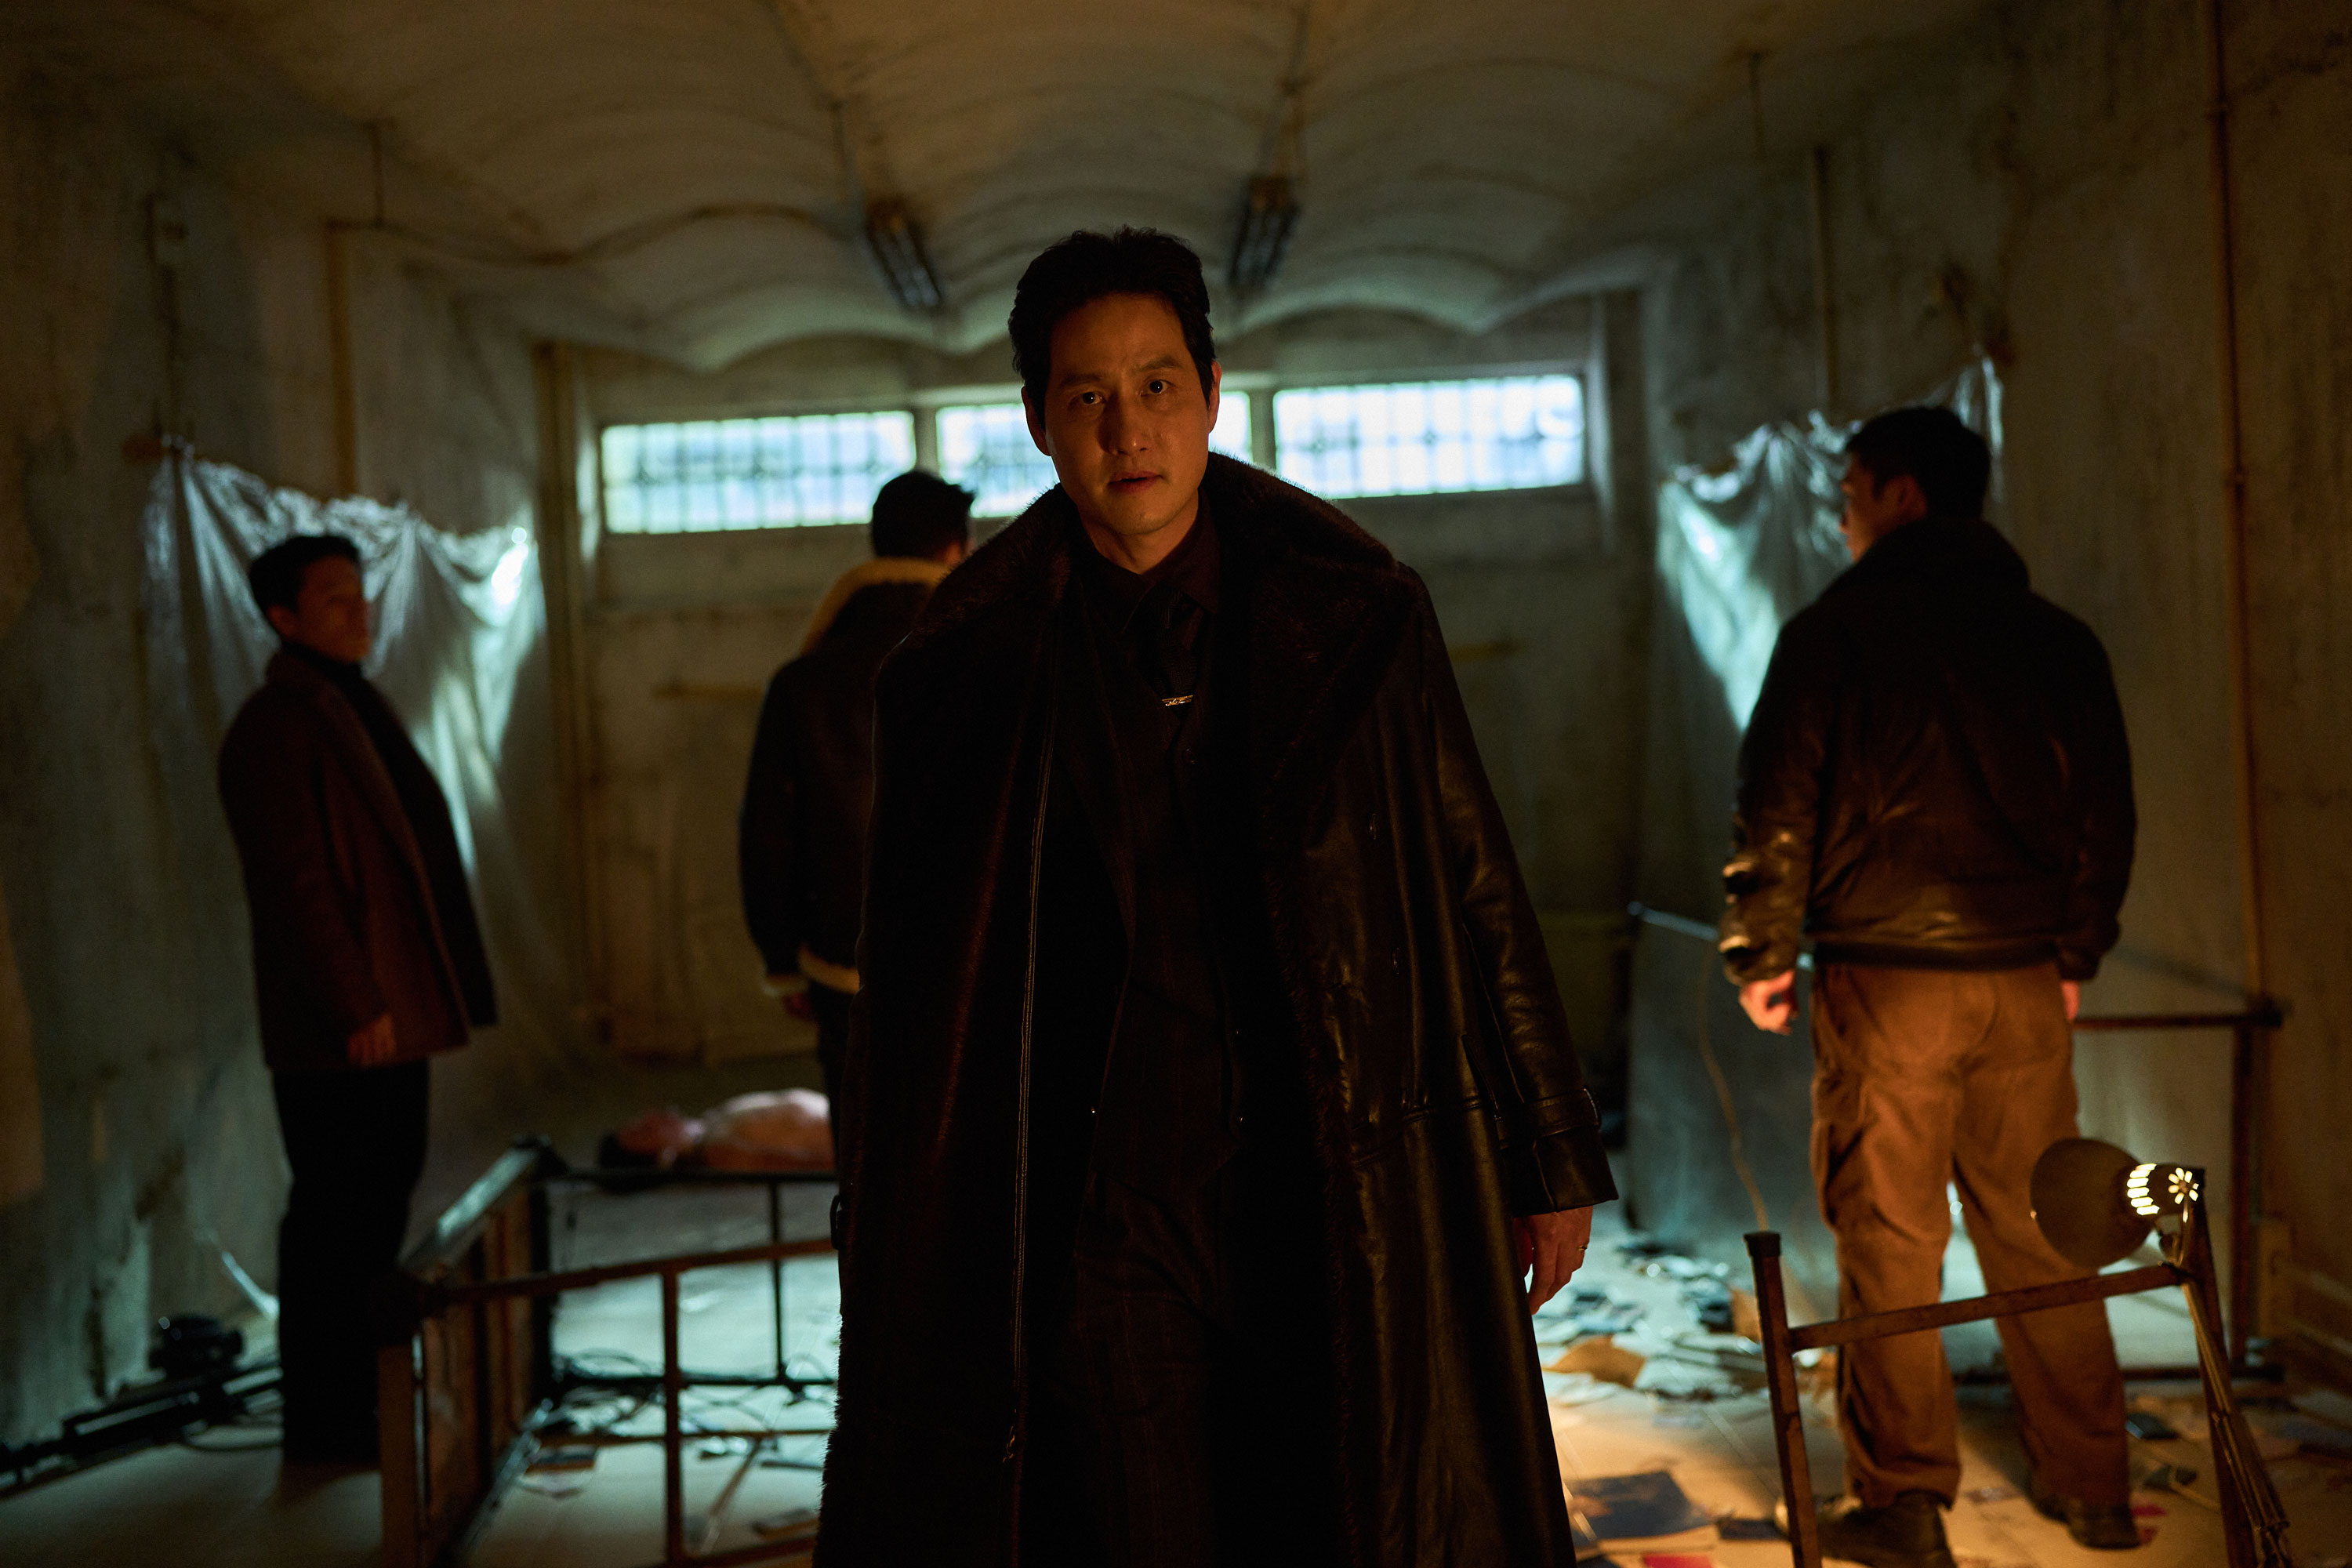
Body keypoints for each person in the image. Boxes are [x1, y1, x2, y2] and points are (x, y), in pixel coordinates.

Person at [817, 228, 1613, 1567]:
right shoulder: (959, 675)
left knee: (1336, 1515)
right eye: (1087, 395)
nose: (1127, 430)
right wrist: (890, 1227)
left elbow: (1472, 871)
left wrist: (1551, 1148)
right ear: (1037, 421)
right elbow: (915, 998)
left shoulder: (1358, 619)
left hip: (1331, 1173)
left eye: (1157, 386)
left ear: (1210, 395)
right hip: (1100, 1211)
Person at [1719, 407, 2139, 1566]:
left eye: (1852, 491)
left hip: (1887, 978)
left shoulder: (1833, 635)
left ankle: (1905, 1500)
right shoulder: (2057, 640)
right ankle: (2095, 1486)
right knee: (2045, 1226)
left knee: (1892, 1236)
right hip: (2021, 976)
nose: (1841, 516)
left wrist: (1762, 951)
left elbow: (1777, 799)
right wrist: (2073, 955)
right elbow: (2106, 811)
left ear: (1902, 496)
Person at [217, 534, 495, 1467]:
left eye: (360, 593)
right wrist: (354, 1003)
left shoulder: (341, 704)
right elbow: (296, 883)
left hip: (382, 1017)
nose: (359, 610)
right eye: (335, 598)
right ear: (282, 617)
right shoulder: (276, 727)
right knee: (338, 1216)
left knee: (373, 1209)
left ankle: (360, 1406)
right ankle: (330, 1419)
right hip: (347, 1027)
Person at [739, 470, 972, 1157]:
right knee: (968, 1146)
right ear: (955, 550)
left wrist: (783, 960)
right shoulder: (991, 657)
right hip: (973, 957)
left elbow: (768, 835)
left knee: (868, 1151)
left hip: (843, 962)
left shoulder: (801, 682)